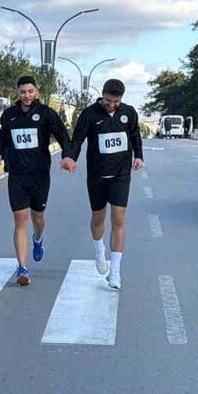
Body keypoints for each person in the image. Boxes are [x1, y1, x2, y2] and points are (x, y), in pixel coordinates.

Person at [61, 79, 144, 291]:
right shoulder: (90, 114)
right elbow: (77, 139)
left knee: (118, 219)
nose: (112, 105)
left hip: (121, 175)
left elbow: (135, 135)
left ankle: (115, 272)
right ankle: (99, 251)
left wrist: (139, 156)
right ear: (103, 95)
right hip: (97, 175)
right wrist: (70, 158)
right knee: (98, 218)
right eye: (108, 100)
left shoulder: (129, 113)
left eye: (116, 101)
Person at [0, 75, 71, 286]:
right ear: (17, 93)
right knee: (20, 219)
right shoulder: (9, 115)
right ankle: (22, 268)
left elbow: (62, 135)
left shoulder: (46, 113)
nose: (26, 96)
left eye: (30, 91)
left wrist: (68, 155)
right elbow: (4, 138)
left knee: (38, 217)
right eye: (22, 92)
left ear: (36, 91)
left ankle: (38, 239)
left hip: (39, 174)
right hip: (17, 174)